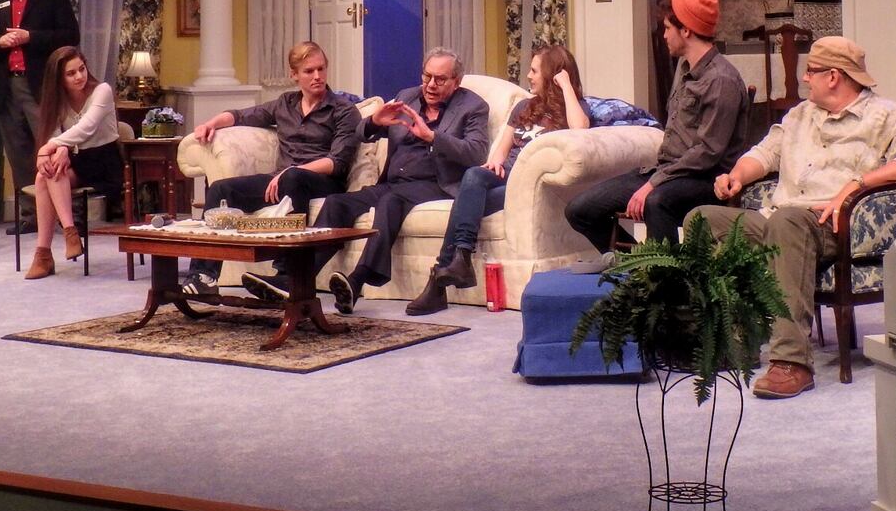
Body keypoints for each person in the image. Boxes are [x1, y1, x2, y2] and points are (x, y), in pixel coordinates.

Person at [686, 37, 896, 400]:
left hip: (834, 224)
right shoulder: (798, 115)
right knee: (702, 220)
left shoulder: (885, 115)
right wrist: (738, 175)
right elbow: (765, 154)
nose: (804, 78)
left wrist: (857, 184)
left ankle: (792, 363)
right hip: (779, 218)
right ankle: (732, 338)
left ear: (834, 76)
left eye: (811, 71)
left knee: (788, 222)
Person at [406, 44, 590, 316]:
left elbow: (580, 130)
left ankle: (443, 278)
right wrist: (494, 162)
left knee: (465, 202)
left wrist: (566, 88)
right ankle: (460, 259)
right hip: (504, 175)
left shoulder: (576, 108)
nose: (528, 76)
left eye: (535, 70)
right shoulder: (523, 107)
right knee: (473, 176)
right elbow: (501, 150)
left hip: (526, 186)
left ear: (553, 75)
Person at [565, 0, 749, 252]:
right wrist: (655, 178)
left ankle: (665, 281)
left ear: (686, 30)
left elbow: (707, 153)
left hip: (705, 180)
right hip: (666, 171)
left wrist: (653, 184)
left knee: (657, 201)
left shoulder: (721, 80)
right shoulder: (684, 68)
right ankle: (638, 266)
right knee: (580, 209)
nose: (664, 35)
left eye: (667, 28)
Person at [311, 47, 490, 314]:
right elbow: (361, 133)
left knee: (391, 201)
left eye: (440, 79)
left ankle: (357, 281)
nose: (430, 85)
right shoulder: (407, 97)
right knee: (338, 203)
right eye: (427, 76)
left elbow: (476, 152)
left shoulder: (473, 107)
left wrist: (432, 137)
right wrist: (374, 121)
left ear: (457, 82)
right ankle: (299, 279)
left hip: (435, 184)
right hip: (392, 181)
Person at [180, 40, 361, 297]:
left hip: (322, 182)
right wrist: (211, 123)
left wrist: (291, 172)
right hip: (282, 180)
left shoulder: (343, 110)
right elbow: (241, 115)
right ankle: (203, 276)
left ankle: (285, 275)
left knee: (295, 176)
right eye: (309, 71)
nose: (317, 76)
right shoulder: (284, 104)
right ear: (294, 74)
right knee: (222, 190)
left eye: (321, 69)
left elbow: (337, 162)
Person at [0, 0, 79, 234]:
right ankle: (30, 215)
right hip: (7, 86)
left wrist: (29, 37)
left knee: (50, 147)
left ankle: (67, 213)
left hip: (40, 85)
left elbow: (70, 36)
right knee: (18, 152)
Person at [23, 46, 124, 280]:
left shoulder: (102, 90)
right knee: (45, 174)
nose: (79, 76)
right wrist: (58, 149)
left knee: (46, 173)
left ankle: (46, 253)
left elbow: (86, 127)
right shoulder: (57, 100)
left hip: (104, 161)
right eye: (71, 73)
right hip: (78, 158)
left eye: (82, 69)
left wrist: (53, 147)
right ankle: (62, 239)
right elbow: (53, 133)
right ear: (59, 78)